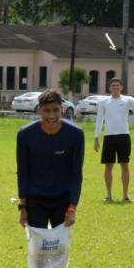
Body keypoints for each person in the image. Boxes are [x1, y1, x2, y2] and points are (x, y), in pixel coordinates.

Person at [17, 90, 84, 230]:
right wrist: (23, 207)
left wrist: (72, 207)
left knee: (60, 249)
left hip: (63, 199)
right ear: (39, 110)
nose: (51, 115)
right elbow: (23, 171)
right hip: (35, 198)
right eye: (47, 111)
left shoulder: (76, 134)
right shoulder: (25, 134)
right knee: (37, 249)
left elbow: (77, 173)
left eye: (56, 110)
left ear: (63, 109)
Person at [94, 77, 134, 202]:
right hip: (109, 137)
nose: (115, 87)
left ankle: (126, 196)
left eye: (117, 85)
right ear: (109, 88)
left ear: (121, 87)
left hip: (124, 136)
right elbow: (99, 119)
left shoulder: (127, 100)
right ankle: (109, 195)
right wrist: (96, 137)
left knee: (125, 166)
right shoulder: (104, 102)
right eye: (113, 86)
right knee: (108, 167)